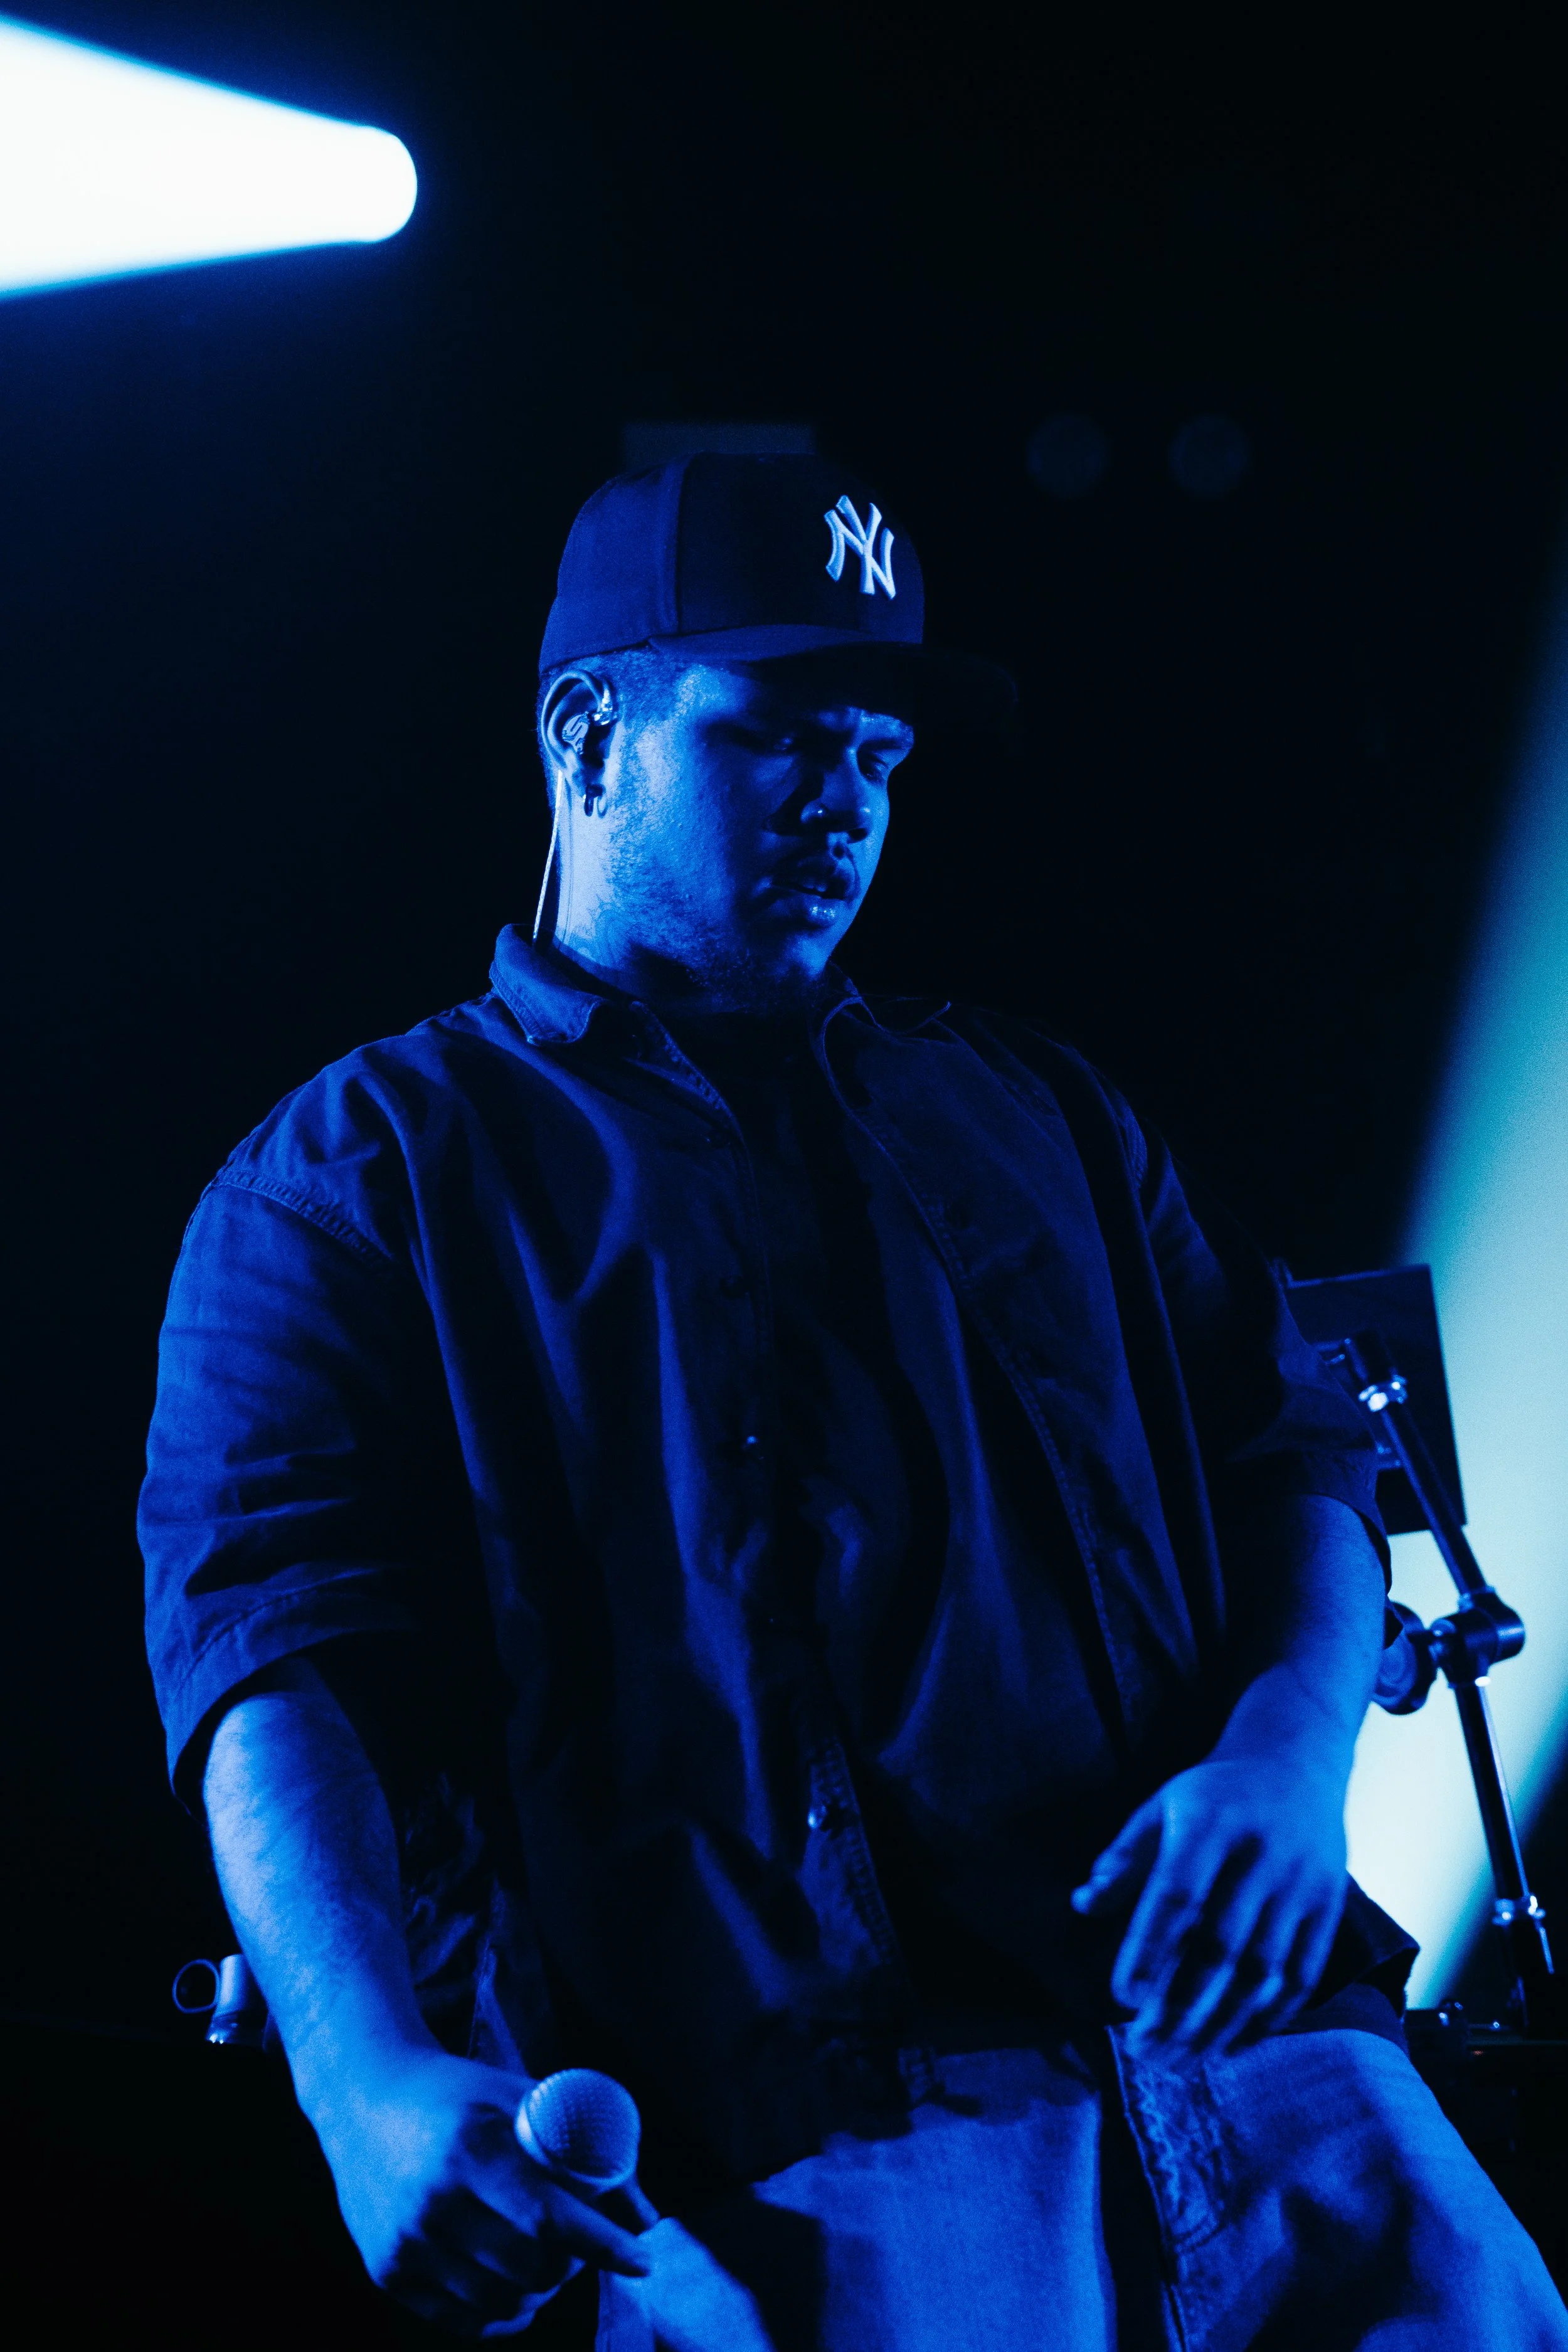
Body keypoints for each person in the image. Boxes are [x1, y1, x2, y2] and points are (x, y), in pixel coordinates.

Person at [141, 455, 1568, 2348]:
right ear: (588, 735)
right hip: (789, 2118)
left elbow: (1299, 1432)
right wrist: (365, 2088)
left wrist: (1285, 1761)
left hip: (1245, 2047)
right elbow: (271, 1646)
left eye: (882, 756)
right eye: (778, 738)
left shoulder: (1038, 1109)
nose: (845, 804)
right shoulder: (352, 1176)